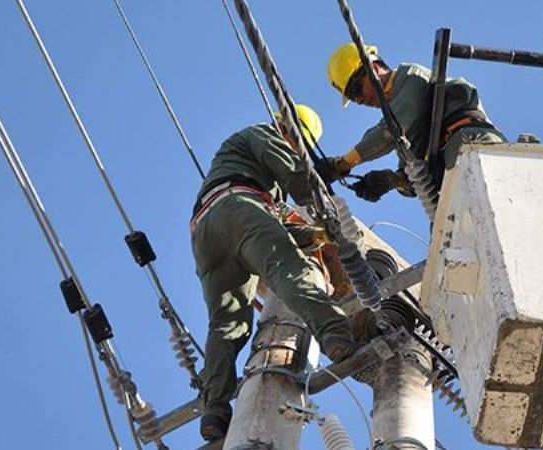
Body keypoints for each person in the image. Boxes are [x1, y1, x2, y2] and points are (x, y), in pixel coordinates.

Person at [190, 104, 357, 440]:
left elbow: (275, 226)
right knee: (291, 271)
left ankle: (215, 409)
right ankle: (336, 334)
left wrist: (317, 236)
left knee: (229, 324)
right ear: (291, 132)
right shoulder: (263, 133)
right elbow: (296, 179)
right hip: (237, 207)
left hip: (206, 232)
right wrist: (321, 200)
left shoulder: (255, 177)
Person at [316, 43, 507, 202]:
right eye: (352, 97)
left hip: (469, 142)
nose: (359, 100)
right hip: (450, 172)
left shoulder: (410, 77)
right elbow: (415, 176)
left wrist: (344, 163)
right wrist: (392, 180)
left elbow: (390, 130)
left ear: (372, 68)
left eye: (356, 90)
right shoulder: (397, 121)